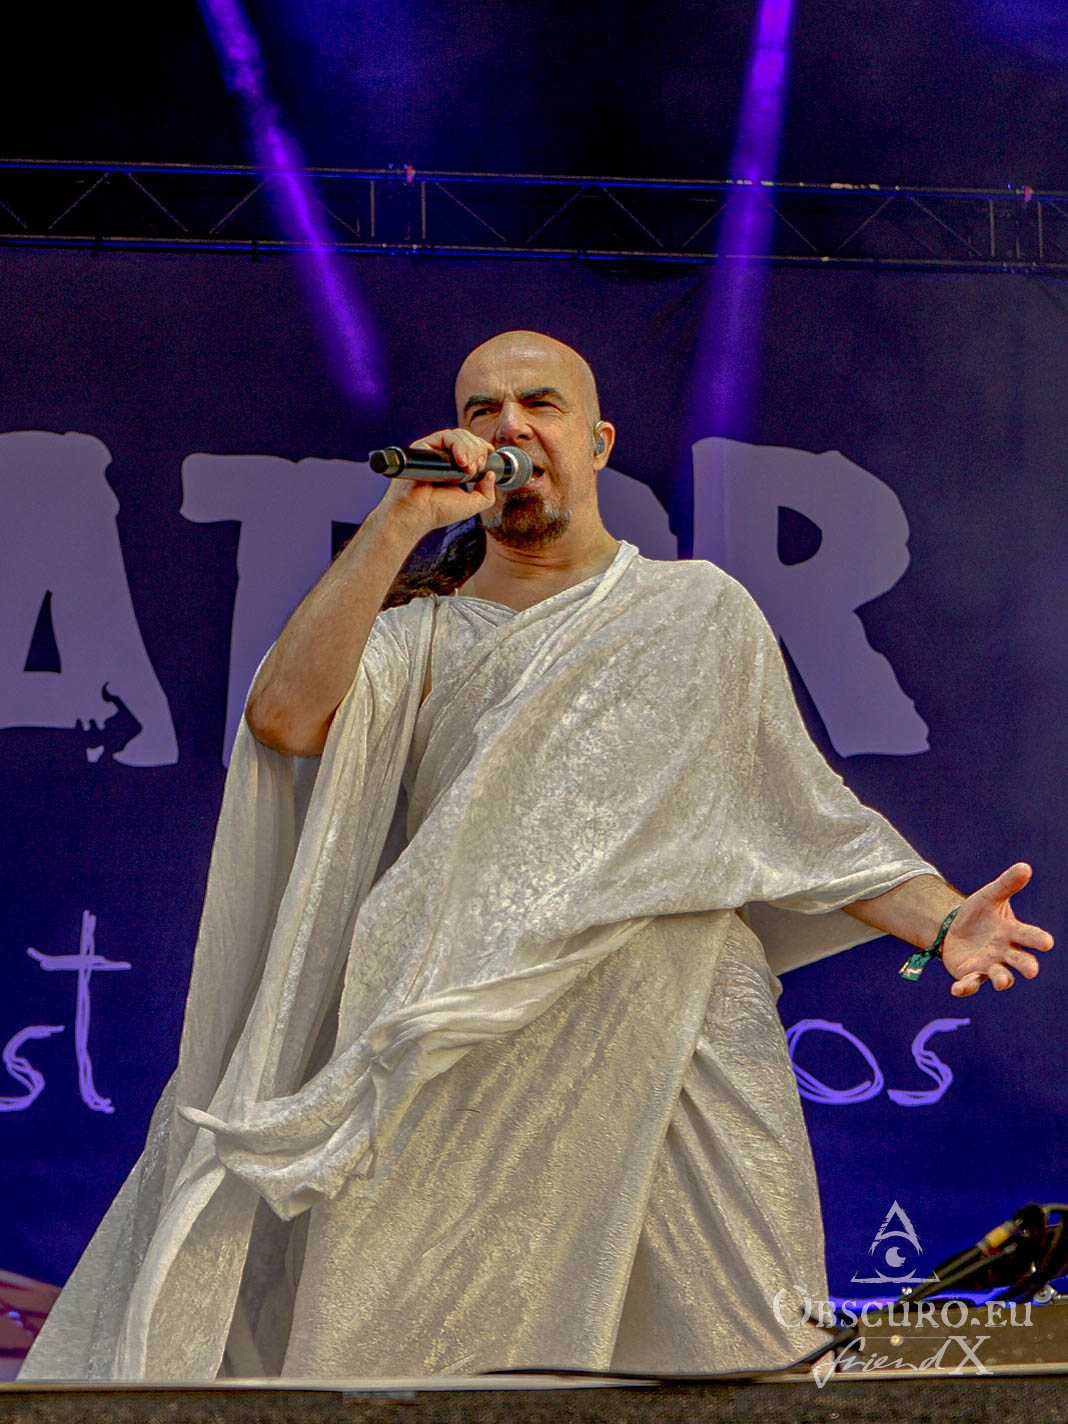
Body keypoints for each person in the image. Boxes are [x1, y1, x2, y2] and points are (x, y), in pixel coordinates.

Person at [21, 331, 1053, 1384]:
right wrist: (400, 519)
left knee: (745, 1354)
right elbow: (285, 715)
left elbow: (806, 817)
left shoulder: (696, 609)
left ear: (597, 441)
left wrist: (942, 920)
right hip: (465, 1057)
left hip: (681, 1037)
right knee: (423, 1369)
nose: (509, 425)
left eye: (539, 404)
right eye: (482, 411)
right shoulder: (424, 637)